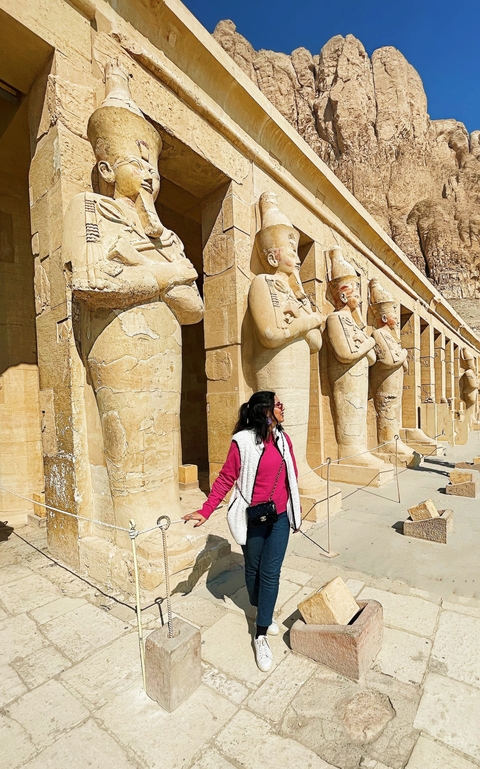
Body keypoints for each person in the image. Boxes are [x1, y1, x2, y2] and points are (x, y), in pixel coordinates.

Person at [183, 390, 302, 672]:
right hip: (253, 517)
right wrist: (206, 509)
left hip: (280, 518)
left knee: (271, 573)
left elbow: (292, 478)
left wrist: (295, 510)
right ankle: (260, 605)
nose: (282, 407)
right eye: (277, 404)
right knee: (253, 570)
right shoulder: (244, 442)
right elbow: (226, 477)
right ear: (265, 411)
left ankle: (260, 632)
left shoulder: (284, 439)